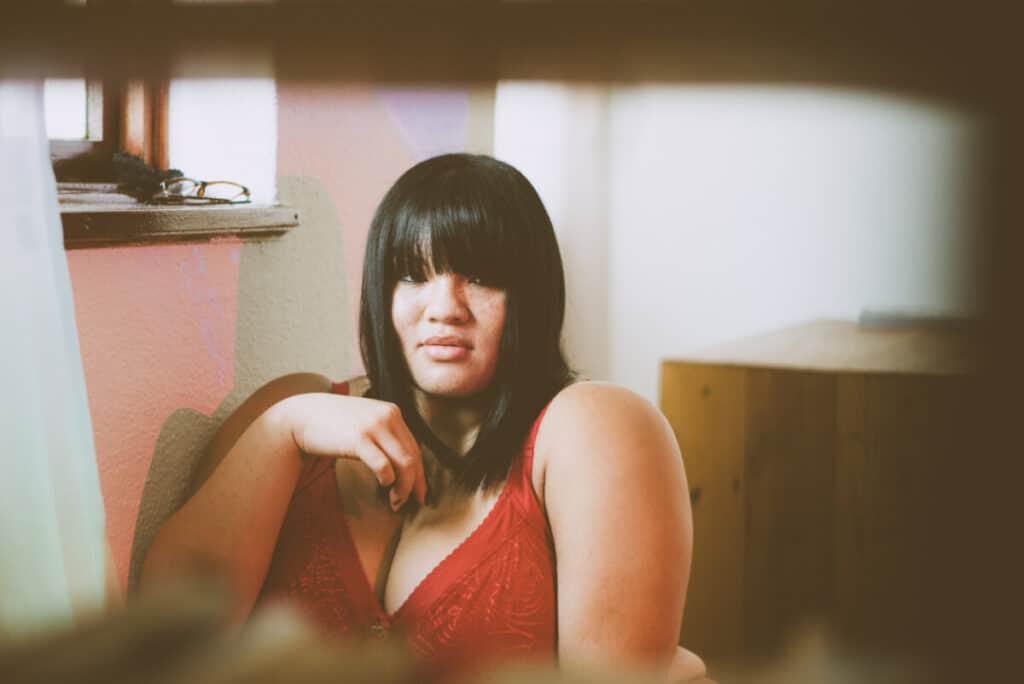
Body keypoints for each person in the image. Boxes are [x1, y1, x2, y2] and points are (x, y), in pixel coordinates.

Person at [141, 153, 705, 681]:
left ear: (532, 293)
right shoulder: (288, 413)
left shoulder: (591, 428)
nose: (444, 309)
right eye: (412, 274)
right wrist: (282, 431)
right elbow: (166, 651)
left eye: (481, 277)